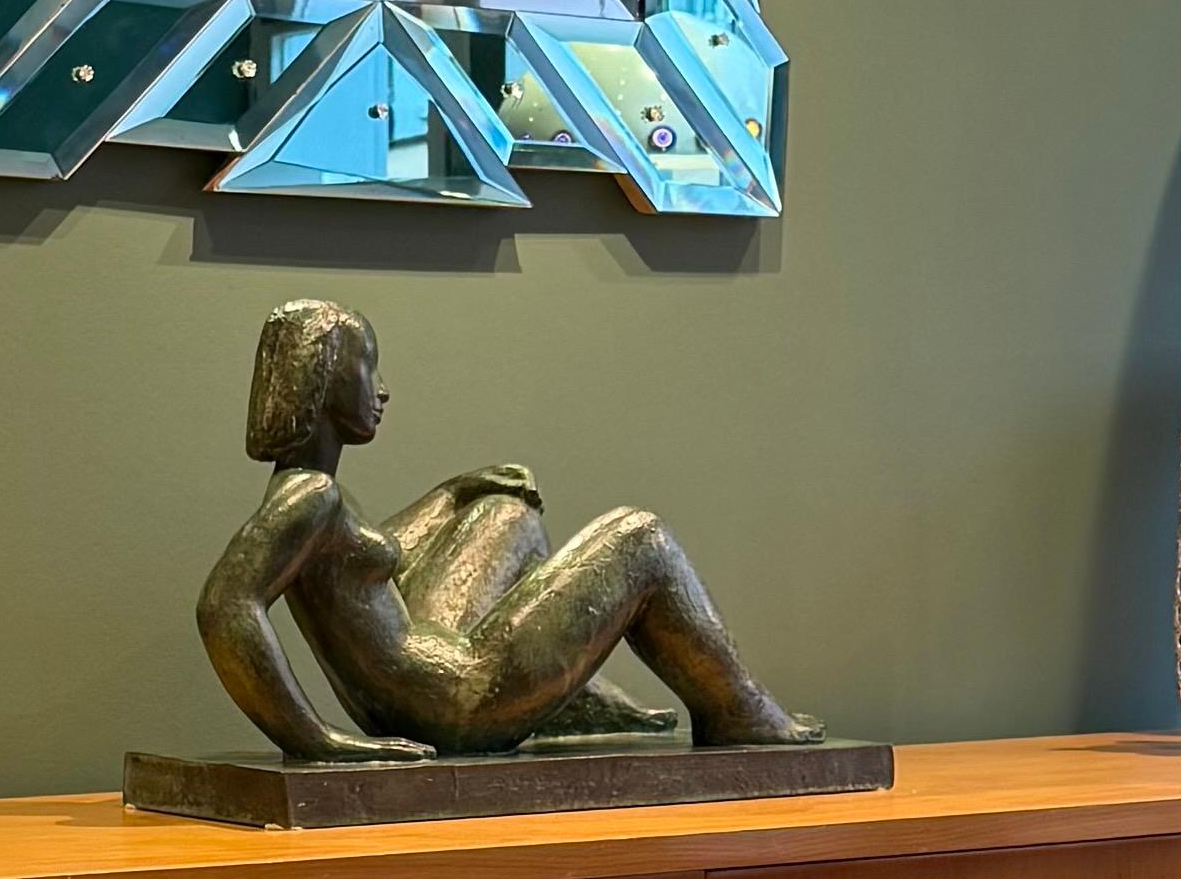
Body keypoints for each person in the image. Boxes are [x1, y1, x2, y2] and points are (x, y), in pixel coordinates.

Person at [193, 298, 817, 764]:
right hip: (456, 701)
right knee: (639, 536)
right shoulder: (311, 496)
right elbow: (225, 605)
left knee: (505, 512)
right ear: (324, 381)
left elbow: (374, 563)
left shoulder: (312, 493)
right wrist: (314, 740)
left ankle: (566, 697)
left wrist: (456, 492)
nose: (382, 390)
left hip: (426, 675)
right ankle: (736, 710)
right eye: (367, 369)